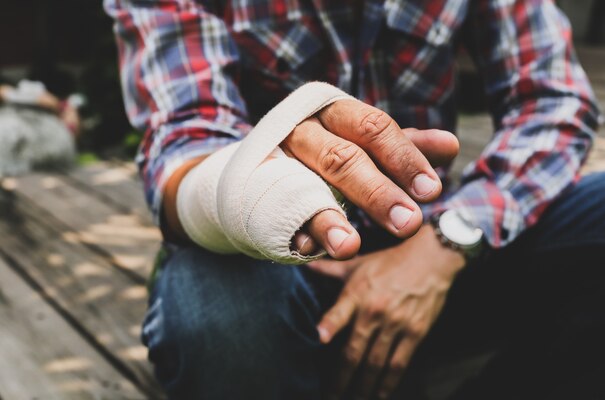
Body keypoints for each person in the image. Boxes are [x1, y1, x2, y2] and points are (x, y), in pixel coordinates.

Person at [105, 1, 605, 399]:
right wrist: (257, 180)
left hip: (436, 245)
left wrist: (449, 240)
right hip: (284, 265)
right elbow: (186, 143)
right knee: (213, 306)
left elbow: (553, 100)